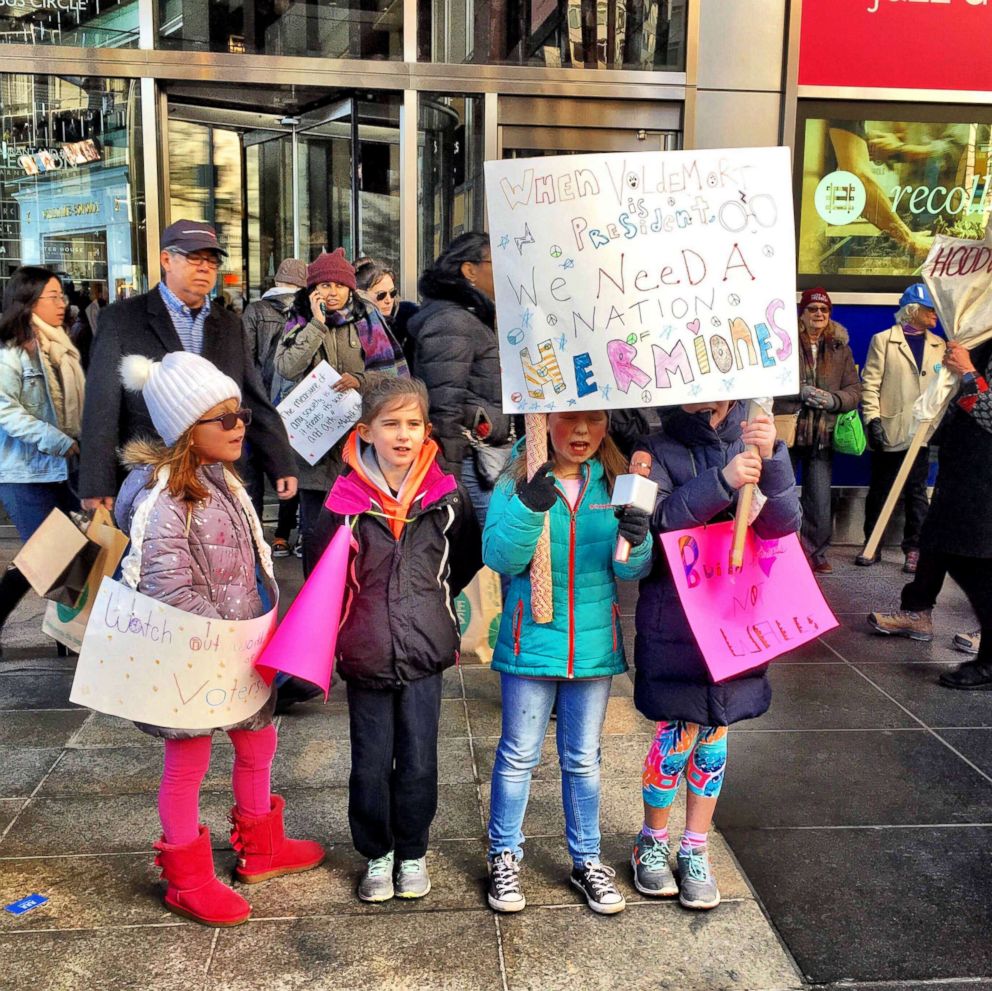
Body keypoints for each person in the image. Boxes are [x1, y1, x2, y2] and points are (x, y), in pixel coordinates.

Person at [112, 350, 325, 927]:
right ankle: (187, 878)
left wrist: (265, 621)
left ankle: (261, 846)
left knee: (257, 743)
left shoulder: (220, 478)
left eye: (241, 417)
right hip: (197, 656)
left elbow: (249, 563)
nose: (239, 427)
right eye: (223, 419)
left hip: (241, 647)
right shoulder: (166, 499)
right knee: (188, 760)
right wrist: (228, 639)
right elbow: (167, 588)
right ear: (186, 429)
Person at [315, 375, 480, 902]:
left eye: (413, 424)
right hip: (365, 652)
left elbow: (465, 560)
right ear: (366, 431)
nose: (403, 435)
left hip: (425, 651)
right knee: (368, 762)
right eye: (390, 424)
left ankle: (412, 852)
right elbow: (321, 575)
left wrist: (432, 608)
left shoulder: (447, 495)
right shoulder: (341, 502)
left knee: (418, 760)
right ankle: (377, 854)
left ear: (427, 430)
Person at [630, 400, 800, 910]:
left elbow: (788, 525)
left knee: (715, 733)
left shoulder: (758, 437)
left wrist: (770, 461)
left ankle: (695, 846)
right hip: (677, 618)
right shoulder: (655, 448)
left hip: (737, 612)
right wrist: (721, 482)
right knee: (677, 730)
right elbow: (655, 524)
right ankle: (652, 841)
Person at [482, 410, 653, 915]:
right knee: (519, 755)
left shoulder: (621, 484)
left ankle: (587, 860)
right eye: (568, 420)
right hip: (531, 642)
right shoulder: (517, 480)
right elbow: (499, 557)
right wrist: (529, 508)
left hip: (594, 647)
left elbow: (631, 567)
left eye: (593, 421)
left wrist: (638, 536)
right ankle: (504, 854)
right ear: (541, 422)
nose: (581, 433)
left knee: (583, 758)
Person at [78, 219, 297, 516]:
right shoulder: (121, 320)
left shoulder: (229, 324)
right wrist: (96, 482)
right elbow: (101, 407)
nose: (205, 268)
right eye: (194, 258)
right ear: (166, 259)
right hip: (153, 475)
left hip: (219, 476)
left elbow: (252, 397)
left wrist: (281, 461)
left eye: (212, 261)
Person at [274, 248, 408, 577]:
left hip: (358, 448)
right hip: (314, 449)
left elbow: (392, 376)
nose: (332, 292)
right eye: (324, 285)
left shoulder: (367, 317)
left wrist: (360, 380)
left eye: (338, 284)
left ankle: (354, 601)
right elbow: (285, 367)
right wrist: (316, 326)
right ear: (312, 289)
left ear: (350, 287)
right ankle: (315, 603)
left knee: (360, 531)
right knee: (314, 532)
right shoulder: (299, 318)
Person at [868, 337, 992, 689]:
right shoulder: (979, 336)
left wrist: (967, 373)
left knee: (973, 561)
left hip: (982, 478)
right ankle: (918, 611)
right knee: (938, 544)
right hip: (965, 471)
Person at [0, 267, 85, 644]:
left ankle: (68, 630)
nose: (62, 303)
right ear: (29, 301)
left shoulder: (60, 345)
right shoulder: (10, 353)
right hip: (25, 473)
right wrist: (57, 440)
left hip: (64, 469)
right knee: (45, 556)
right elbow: (5, 410)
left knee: (76, 549)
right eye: (53, 296)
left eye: (62, 295)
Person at [408, 233, 513, 527]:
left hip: (481, 458)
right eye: (497, 262)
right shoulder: (452, 321)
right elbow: (442, 405)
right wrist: (450, 480)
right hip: (468, 462)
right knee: (485, 555)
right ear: (470, 270)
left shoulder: (471, 316)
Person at [857, 283, 945, 573]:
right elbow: (870, 384)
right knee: (881, 490)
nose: (935, 314)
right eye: (929, 308)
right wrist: (873, 419)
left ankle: (914, 548)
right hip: (891, 429)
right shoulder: (883, 340)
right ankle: (872, 544)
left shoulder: (939, 345)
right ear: (913, 311)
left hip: (921, 433)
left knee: (917, 492)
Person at [773, 287, 860, 574]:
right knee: (778, 493)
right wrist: (801, 392)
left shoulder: (840, 347)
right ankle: (775, 549)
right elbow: (770, 382)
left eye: (824, 310)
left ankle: (816, 553)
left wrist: (834, 400)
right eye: (812, 309)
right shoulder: (783, 342)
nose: (818, 314)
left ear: (829, 314)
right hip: (788, 429)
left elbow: (854, 390)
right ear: (802, 313)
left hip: (822, 433)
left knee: (819, 499)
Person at [241, 257, 307, 556]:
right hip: (299, 403)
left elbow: (245, 358)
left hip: (259, 403)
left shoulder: (255, 310)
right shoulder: (307, 312)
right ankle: (291, 534)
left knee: (252, 474)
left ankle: (256, 539)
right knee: (292, 468)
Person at [354, 257, 418, 369]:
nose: (388, 300)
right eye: (381, 295)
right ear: (361, 295)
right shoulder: (354, 326)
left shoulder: (408, 319)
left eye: (392, 293)